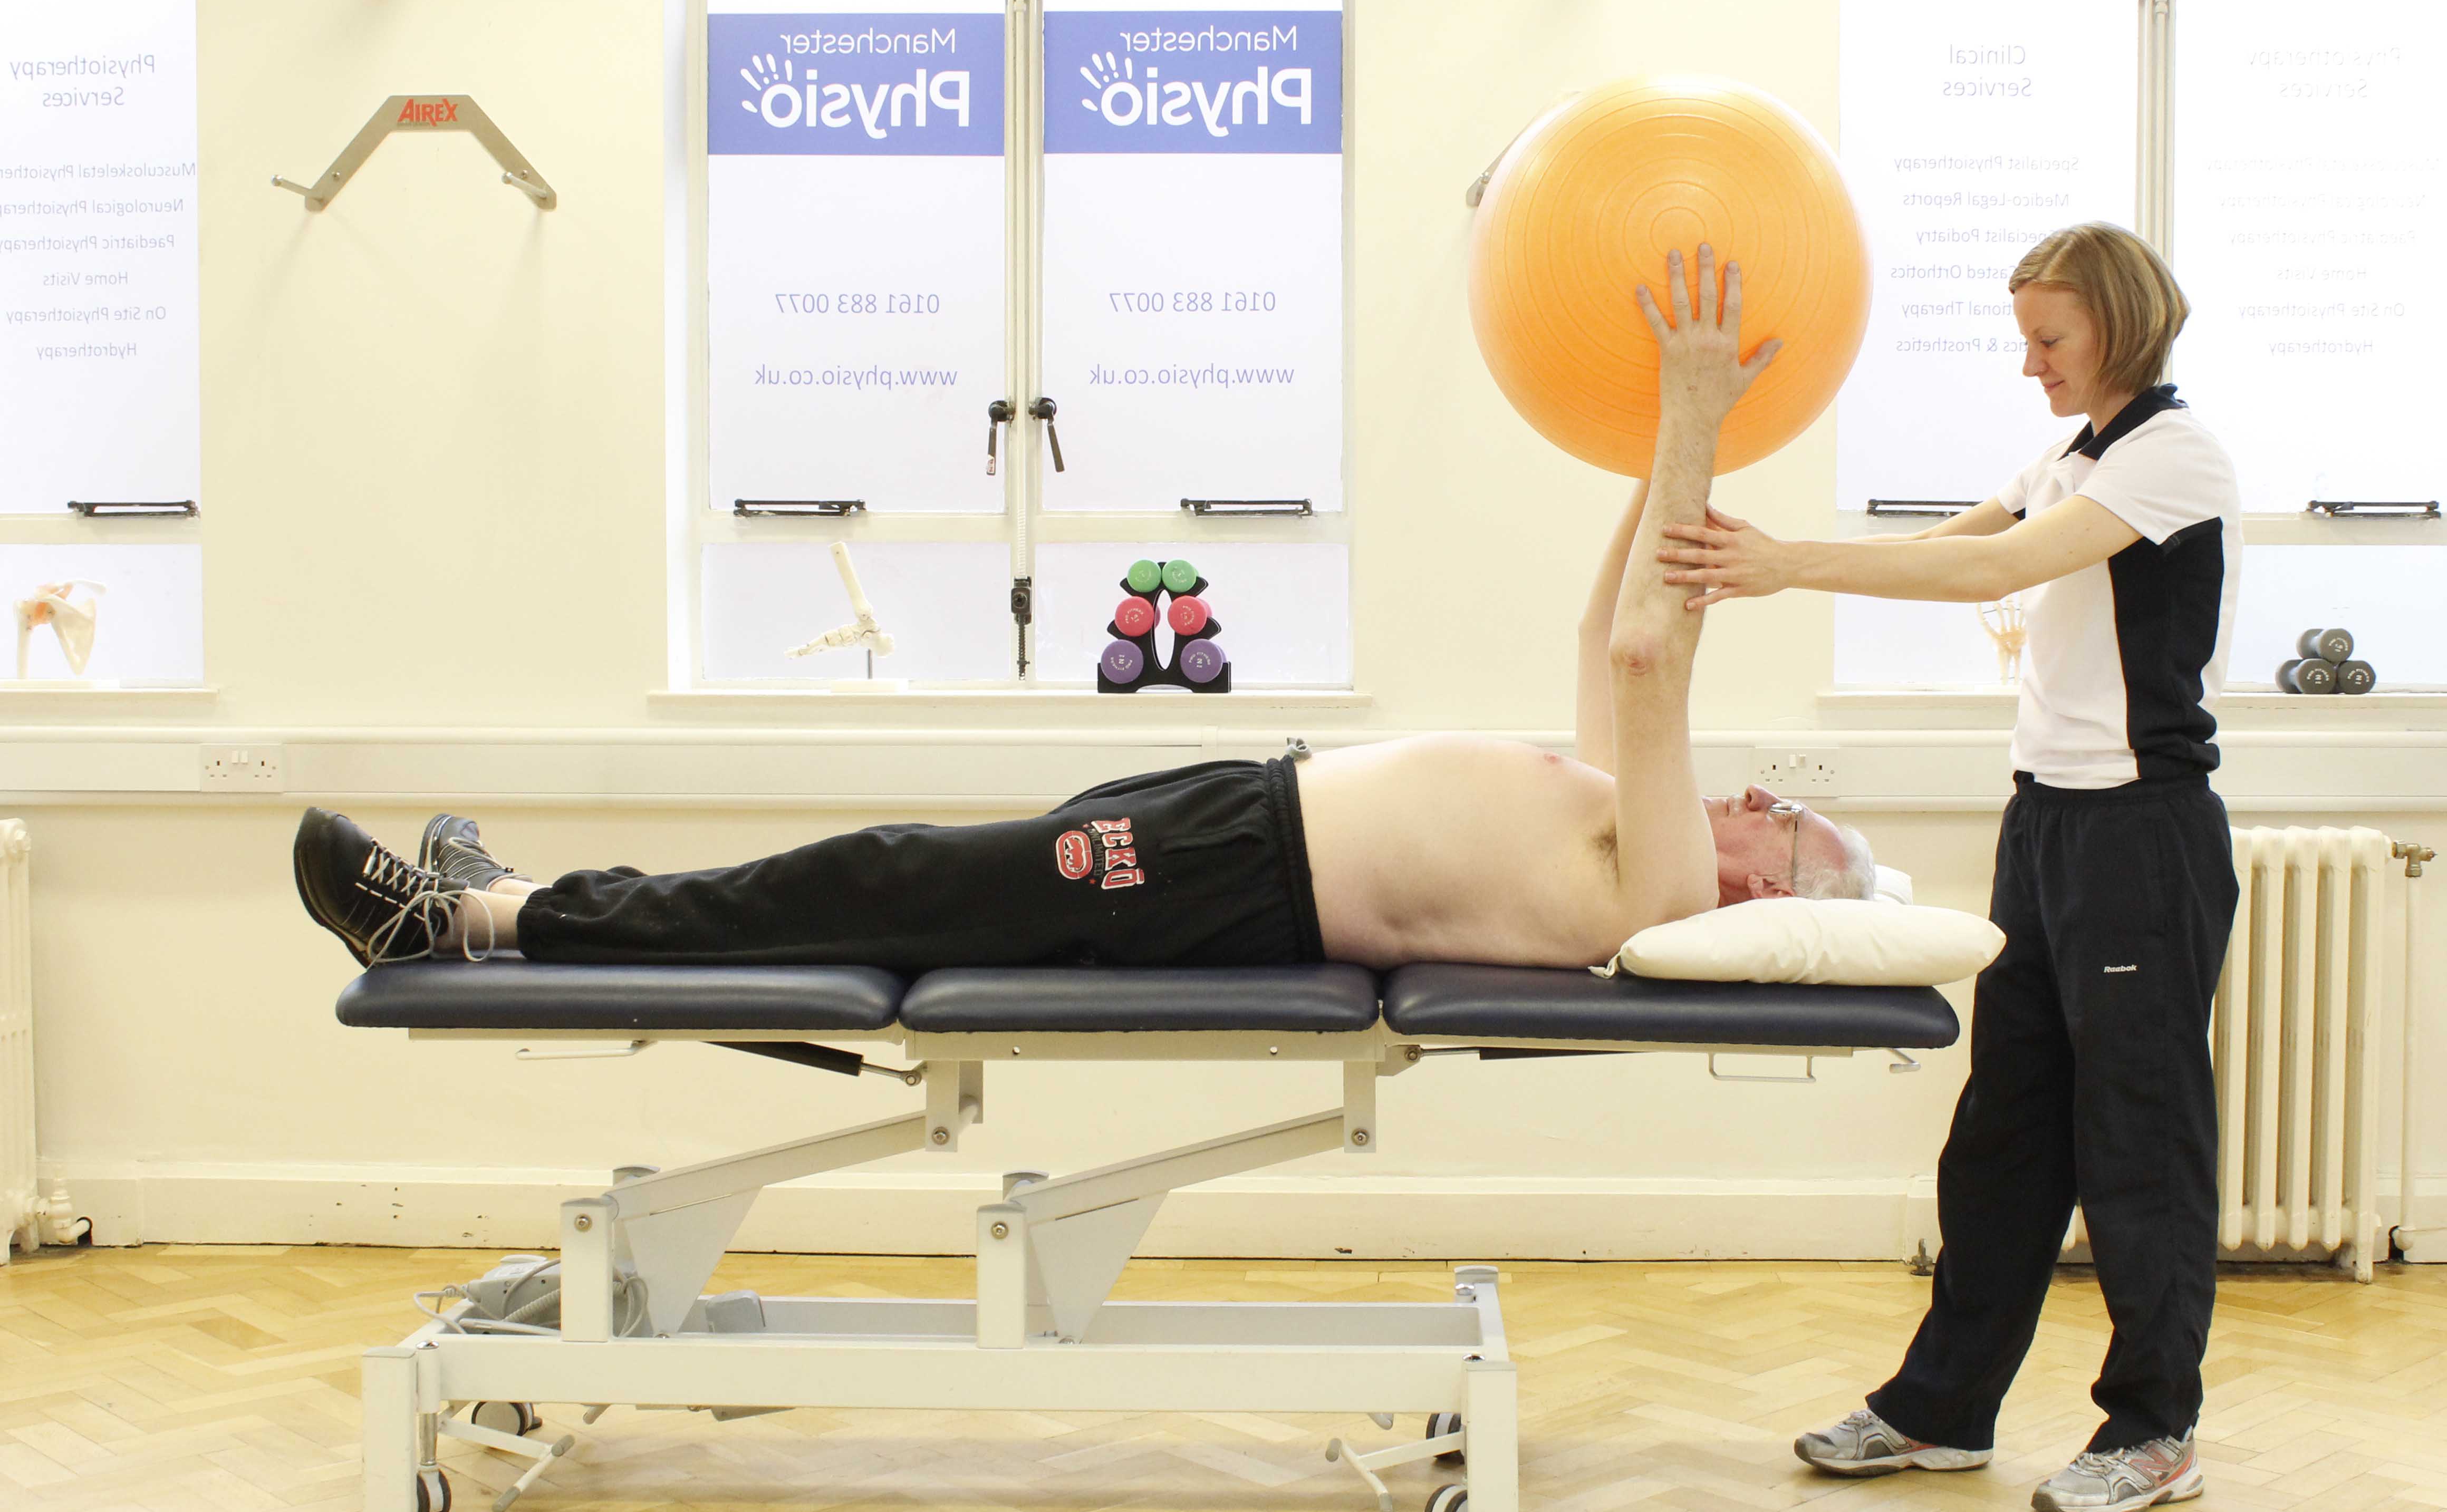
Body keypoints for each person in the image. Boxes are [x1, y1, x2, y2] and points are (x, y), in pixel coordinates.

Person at [297, 245, 1876, 976]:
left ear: (1774, 902)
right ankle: (521, 905)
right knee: (897, 877)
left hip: (1233, 872)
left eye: (1789, 826)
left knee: (880, 877)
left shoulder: (1670, 894)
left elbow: (1644, 651)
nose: (1759, 798)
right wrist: (1660, 433)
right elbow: (1605, 620)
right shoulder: (1638, 823)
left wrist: (1691, 412)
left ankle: (478, 922)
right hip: (1236, 816)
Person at [1656, 221, 2242, 1512]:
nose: (2029, 362)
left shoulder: (2174, 456)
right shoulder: (2070, 455)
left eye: (2051, 338)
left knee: (2139, 1143)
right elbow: (1950, 547)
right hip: (2046, 827)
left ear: (2122, 327)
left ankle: (2157, 1429)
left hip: (2145, 836)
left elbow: (1998, 568)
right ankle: (1943, 1409)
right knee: (2006, 1132)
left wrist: (1785, 565)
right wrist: (1768, 551)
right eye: (2023, 335)